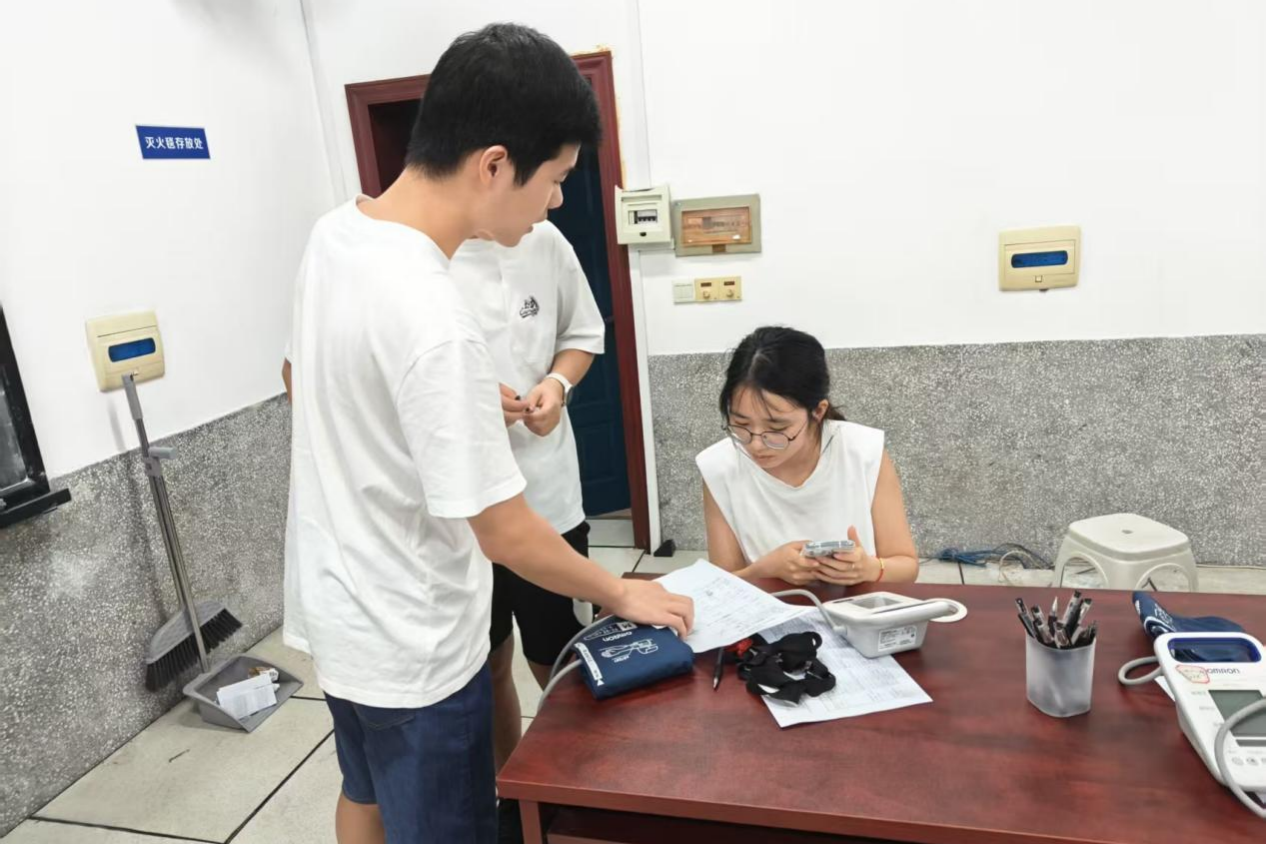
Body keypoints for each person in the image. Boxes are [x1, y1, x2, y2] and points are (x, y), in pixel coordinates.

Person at [283, 24, 692, 844]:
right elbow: (502, 529)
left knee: (365, 794)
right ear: (495, 164)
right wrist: (621, 592)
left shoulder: (336, 235)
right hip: (416, 639)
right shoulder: (434, 317)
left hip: (338, 611)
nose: (556, 202)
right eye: (554, 180)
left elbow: (304, 384)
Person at [447, 223, 603, 779]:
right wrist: (466, 397)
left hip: (546, 494)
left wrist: (557, 385)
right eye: (550, 183)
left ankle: (585, 784)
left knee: (563, 661)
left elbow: (583, 331)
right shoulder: (419, 252)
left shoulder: (547, 239)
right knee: (486, 664)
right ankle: (512, 791)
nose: (555, 202)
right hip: (462, 513)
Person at [696, 326, 919, 587]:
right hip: (768, 609)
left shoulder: (863, 452)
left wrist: (869, 569)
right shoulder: (720, 467)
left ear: (818, 411)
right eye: (741, 425)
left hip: (855, 608)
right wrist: (764, 569)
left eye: (776, 428)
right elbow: (721, 585)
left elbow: (907, 566)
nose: (756, 444)